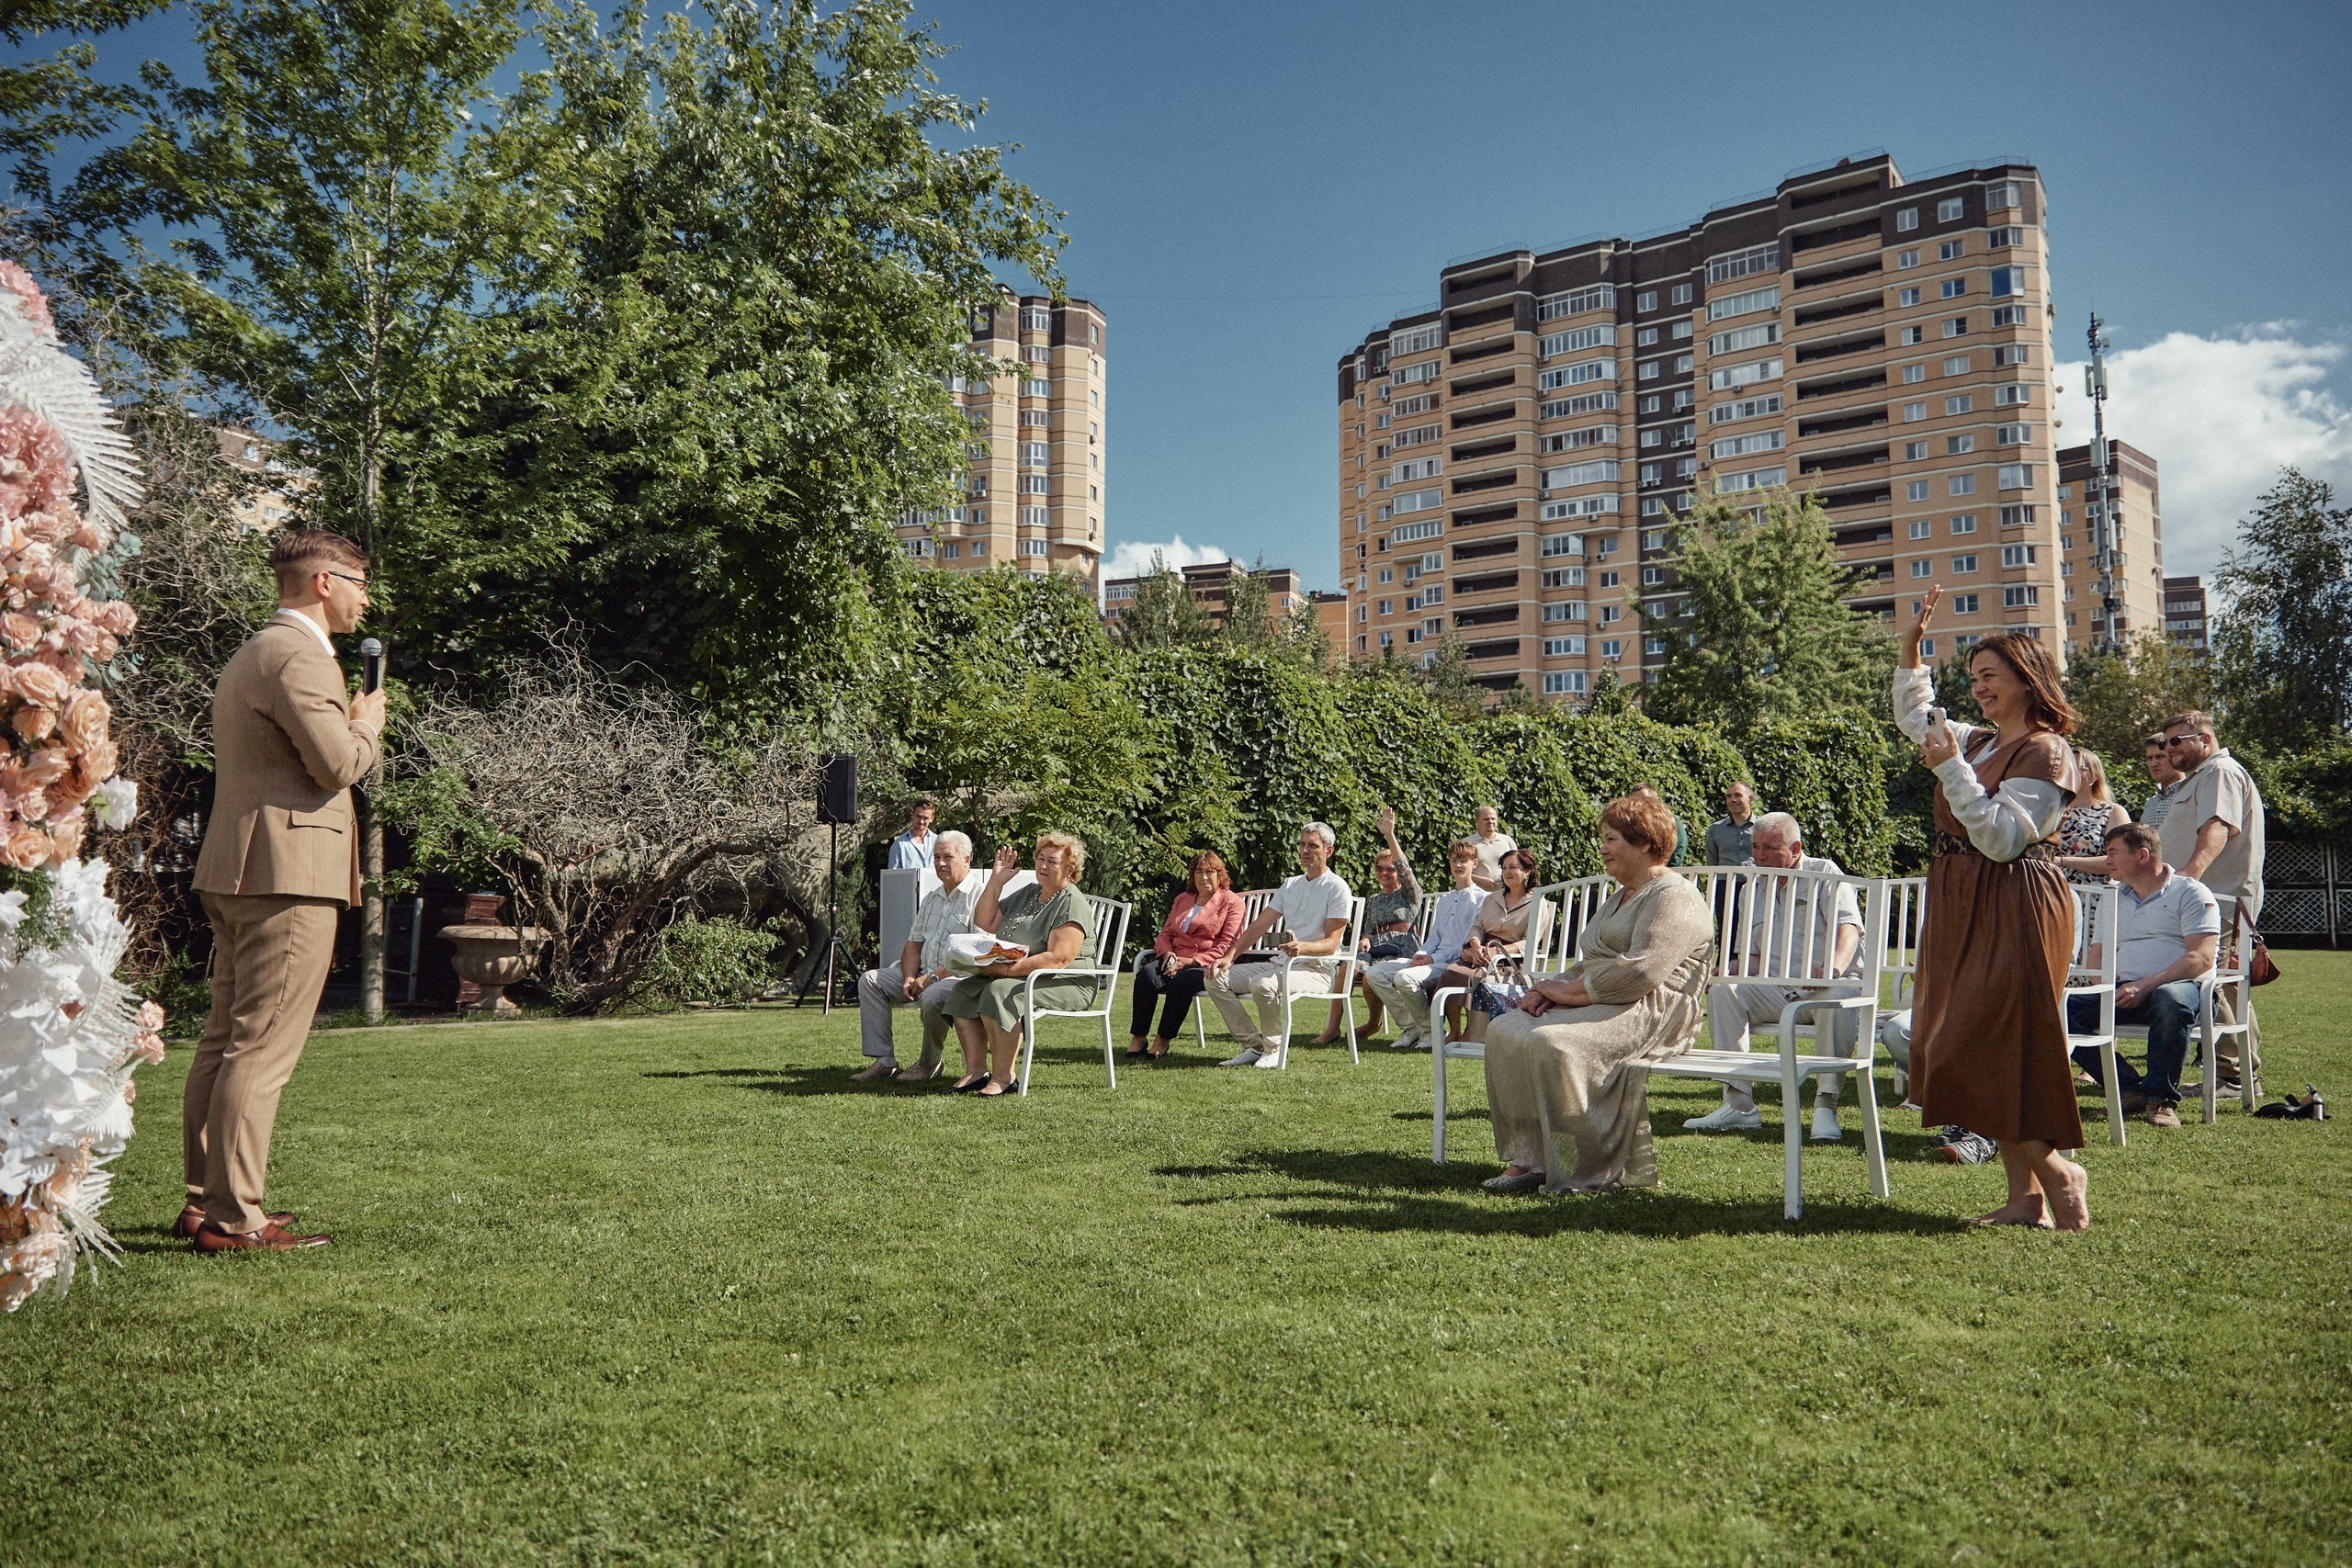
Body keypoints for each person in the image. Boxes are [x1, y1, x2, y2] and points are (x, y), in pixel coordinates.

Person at [183, 529, 385, 1253]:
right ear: (324, 582)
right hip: (286, 874)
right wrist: (366, 728)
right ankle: (236, 1220)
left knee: (227, 1038)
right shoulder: (301, 656)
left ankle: (203, 1203)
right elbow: (334, 764)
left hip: (242, 868)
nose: (367, 597)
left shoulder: (254, 650)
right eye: (360, 581)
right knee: (261, 1048)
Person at [1896, 586, 2089, 1231]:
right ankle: (2024, 1200)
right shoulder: (1976, 740)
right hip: (1963, 895)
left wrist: (1951, 768)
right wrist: (1911, 648)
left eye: (1991, 676)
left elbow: (2004, 838)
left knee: (1977, 1045)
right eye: (1974, 677)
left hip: (2015, 899)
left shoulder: (2046, 751)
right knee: (1984, 1049)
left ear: (2027, 679)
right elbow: (1916, 713)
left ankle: (2060, 1173)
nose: (1979, 688)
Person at [1476, 795, 1714, 1195]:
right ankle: (1532, 1159)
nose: (1602, 848)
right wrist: (1546, 992)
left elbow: (1641, 972)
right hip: (1606, 998)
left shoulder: (1674, 895)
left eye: (1612, 839)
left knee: (1554, 1043)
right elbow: (1591, 960)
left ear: (1645, 842)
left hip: (1654, 1008)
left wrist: (1567, 994)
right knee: (1505, 1029)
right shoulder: (1620, 895)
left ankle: (1590, 1170)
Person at [1681, 812, 1865, 1142]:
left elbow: (1848, 927)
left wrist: (1833, 968)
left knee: (1837, 992)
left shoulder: (1823, 873)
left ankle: (1826, 1105)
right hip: (1776, 989)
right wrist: (1724, 973)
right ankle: (1739, 1104)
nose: (1759, 855)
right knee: (1726, 991)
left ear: (1795, 848)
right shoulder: (1752, 884)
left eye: (1769, 847)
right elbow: (1749, 958)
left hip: (1824, 987)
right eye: (1755, 846)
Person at [2068, 822, 2220, 1130]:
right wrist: (2106, 989)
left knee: (2169, 998)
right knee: (2061, 1009)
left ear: (2142, 855)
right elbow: (2097, 954)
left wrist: (2148, 984)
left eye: (2113, 852)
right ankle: (2131, 1087)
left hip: (2184, 989)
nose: (2106, 860)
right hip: (2126, 990)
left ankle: (2160, 1098)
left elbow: (2201, 957)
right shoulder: (2113, 899)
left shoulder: (2189, 891)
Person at [2155, 708, 2267, 1091]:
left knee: (2216, 984)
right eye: (2165, 742)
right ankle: (2233, 1073)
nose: (2168, 749)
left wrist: (2187, 881)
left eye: (2176, 741)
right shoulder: (2201, 778)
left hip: (2215, 903)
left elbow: (2217, 828)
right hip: (2205, 903)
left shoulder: (2220, 771)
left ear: (2205, 739)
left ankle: (2233, 1075)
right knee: (2221, 984)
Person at [940, 831, 1099, 1098]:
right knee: (963, 991)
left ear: (1070, 870)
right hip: (1025, 975)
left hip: (1068, 981)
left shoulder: (1071, 901)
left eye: (1052, 862)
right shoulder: (1030, 893)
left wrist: (1005, 970)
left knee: (998, 991)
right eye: (1040, 859)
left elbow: (1058, 958)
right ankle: (976, 1072)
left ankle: (1004, 1077)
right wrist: (996, 881)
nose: (1043, 866)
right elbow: (985, 921)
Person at [1207, 822, 1354, 1067]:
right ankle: (1254, 1046)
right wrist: (1229, 957)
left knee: (1263, 984)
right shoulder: (1291, 884)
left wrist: (1302, 947)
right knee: (1215, 977)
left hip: (1316, 970)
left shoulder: (1337, 888)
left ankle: (1274, 1049)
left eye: (1312, 845)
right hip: (1280, 964)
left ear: (1329, 851)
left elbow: (1331, 945)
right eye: (1302, 844)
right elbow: (1259, 925)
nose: (1305, 850)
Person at [851, 829, 979, 1082]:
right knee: (871, 980)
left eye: (947, 857)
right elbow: (913, 945)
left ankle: (929, 1062)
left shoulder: (980, 897)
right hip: (923, 974)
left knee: (932, 997)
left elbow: (974, 955)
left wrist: (931, 978)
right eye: (936, 857)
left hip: (958, 979)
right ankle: (885, 1062)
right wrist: (910, 977)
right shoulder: (932, 897)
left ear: (967, 859)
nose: (940, 863)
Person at [1364, 839, 1485, 1053]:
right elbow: (1433, 938)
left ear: (1473, 864)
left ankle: (1431, 1031)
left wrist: (1432, 959)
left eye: (1463, 861)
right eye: (1454, 861)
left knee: (1403, 978)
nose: (1458, 866)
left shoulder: (1482, 899)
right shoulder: (1445, 900)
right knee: (1374, 973)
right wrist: (1421, 954)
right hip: (1430, 960)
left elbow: (1466, 945)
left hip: (1453, 963)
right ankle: (1415, 1027)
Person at [1315, 807, 1420, 1044]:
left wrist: (1389, 835)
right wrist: (1365, 938)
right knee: (1348, 965)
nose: (1384, 873)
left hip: (1403, 951)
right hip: (1377, 949)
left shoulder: (1409, 894)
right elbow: (1370, 929)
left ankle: (1375, 1024)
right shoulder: (1374, 899)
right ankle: (1332, 1028)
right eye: (1379, 868)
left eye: (1389, 869)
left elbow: (1405, 868)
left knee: (1371, 976)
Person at [1128, 851, 1245, 1062]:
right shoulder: (1183, 899)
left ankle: (1162, 1040)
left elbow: (1227, 945)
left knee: (1182, 982)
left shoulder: (1232, 902)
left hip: (1206, 963)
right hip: (1172, 958)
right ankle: (1139, 1037)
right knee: (1146, 975)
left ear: (1220, 875)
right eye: (1198, 872)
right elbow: (1165, 933)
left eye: (1210, 872)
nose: (1204, 877)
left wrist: (1189, 962)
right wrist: (1167, 954)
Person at [1425, 847, 1542, 1039]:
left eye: (1513, 867)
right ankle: (1454, 1029)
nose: (1508, 872)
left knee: (1475, 976)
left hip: (1508, 961)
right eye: (1504, 868)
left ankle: (1472, 1030)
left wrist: (1497, 953)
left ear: (1527, 871)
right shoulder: (1492, 898)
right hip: (1480, 952)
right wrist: (1475, 945)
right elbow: (1477, 926)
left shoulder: (1536, 903)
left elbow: (1528, 942)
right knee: (1453, 971)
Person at [2054, 749, 2130, 886]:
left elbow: (2123, 860)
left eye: (2074, 767)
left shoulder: (2112, 812)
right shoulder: (2052, 812)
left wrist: (2064, 861)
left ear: (2093, 776)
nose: (2067, 772)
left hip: (2093, 899)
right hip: (2051, 895)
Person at [1703, 779, 1759, 867]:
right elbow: (1712, 864)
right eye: (1729, 796)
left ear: (1750, 799)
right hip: (1724, 880)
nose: (1733, 800)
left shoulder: (1764, 827)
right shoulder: (1715, 830)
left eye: (1738, 795)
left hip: (1756, 880)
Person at [1628, 784, 1687, 863]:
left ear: (1655, 800)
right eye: (1634, 801)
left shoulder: (1671, 821)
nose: (1639, 804)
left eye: (1644, 799)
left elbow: (1677, 854)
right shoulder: (1629, 824)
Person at [2137, 733, 2181, 832]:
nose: (2154, 764)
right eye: (2149, 758)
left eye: (2160, 756)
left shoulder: (2192, 793)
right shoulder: (2151, 803)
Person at [1467, 804, 1517, 890]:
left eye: (1493, 819)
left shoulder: (1507, 841)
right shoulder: (1467, 843)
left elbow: (1517, 866)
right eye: (1486, 819)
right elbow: (1459, 871)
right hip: (1477, 896)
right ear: (1477, 821)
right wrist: (1479, 880)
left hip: (1505, 895)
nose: (1490, 821)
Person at [887, 800, 938, 870]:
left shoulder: (938, 842)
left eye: (926, 818)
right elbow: (893, 876)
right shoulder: (899, 845)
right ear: (912, 815)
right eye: (918, 816)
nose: (921, 821)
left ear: (932, 818)